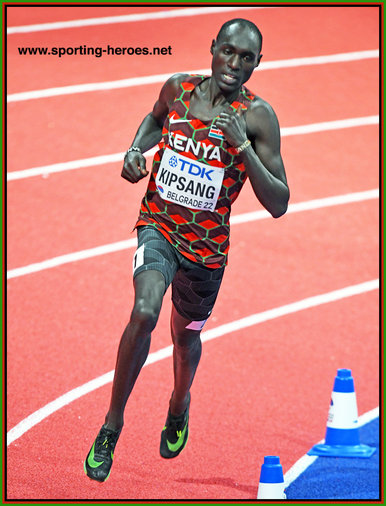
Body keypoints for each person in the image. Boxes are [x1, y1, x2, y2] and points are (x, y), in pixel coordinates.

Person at [84, 17, 289, 482]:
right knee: (143, 310)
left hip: (207, 253)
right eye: (229, 52)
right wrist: (134, 152)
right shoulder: (178, 88)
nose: (234, 64)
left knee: (185, 337)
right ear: (213, 47)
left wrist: (243, 149)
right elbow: (154, 122)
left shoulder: (258, 118)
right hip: (157, 226)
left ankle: (179, 403)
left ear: (259, 63)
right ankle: (111, 426)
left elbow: (279, 202)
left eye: (247, 58)